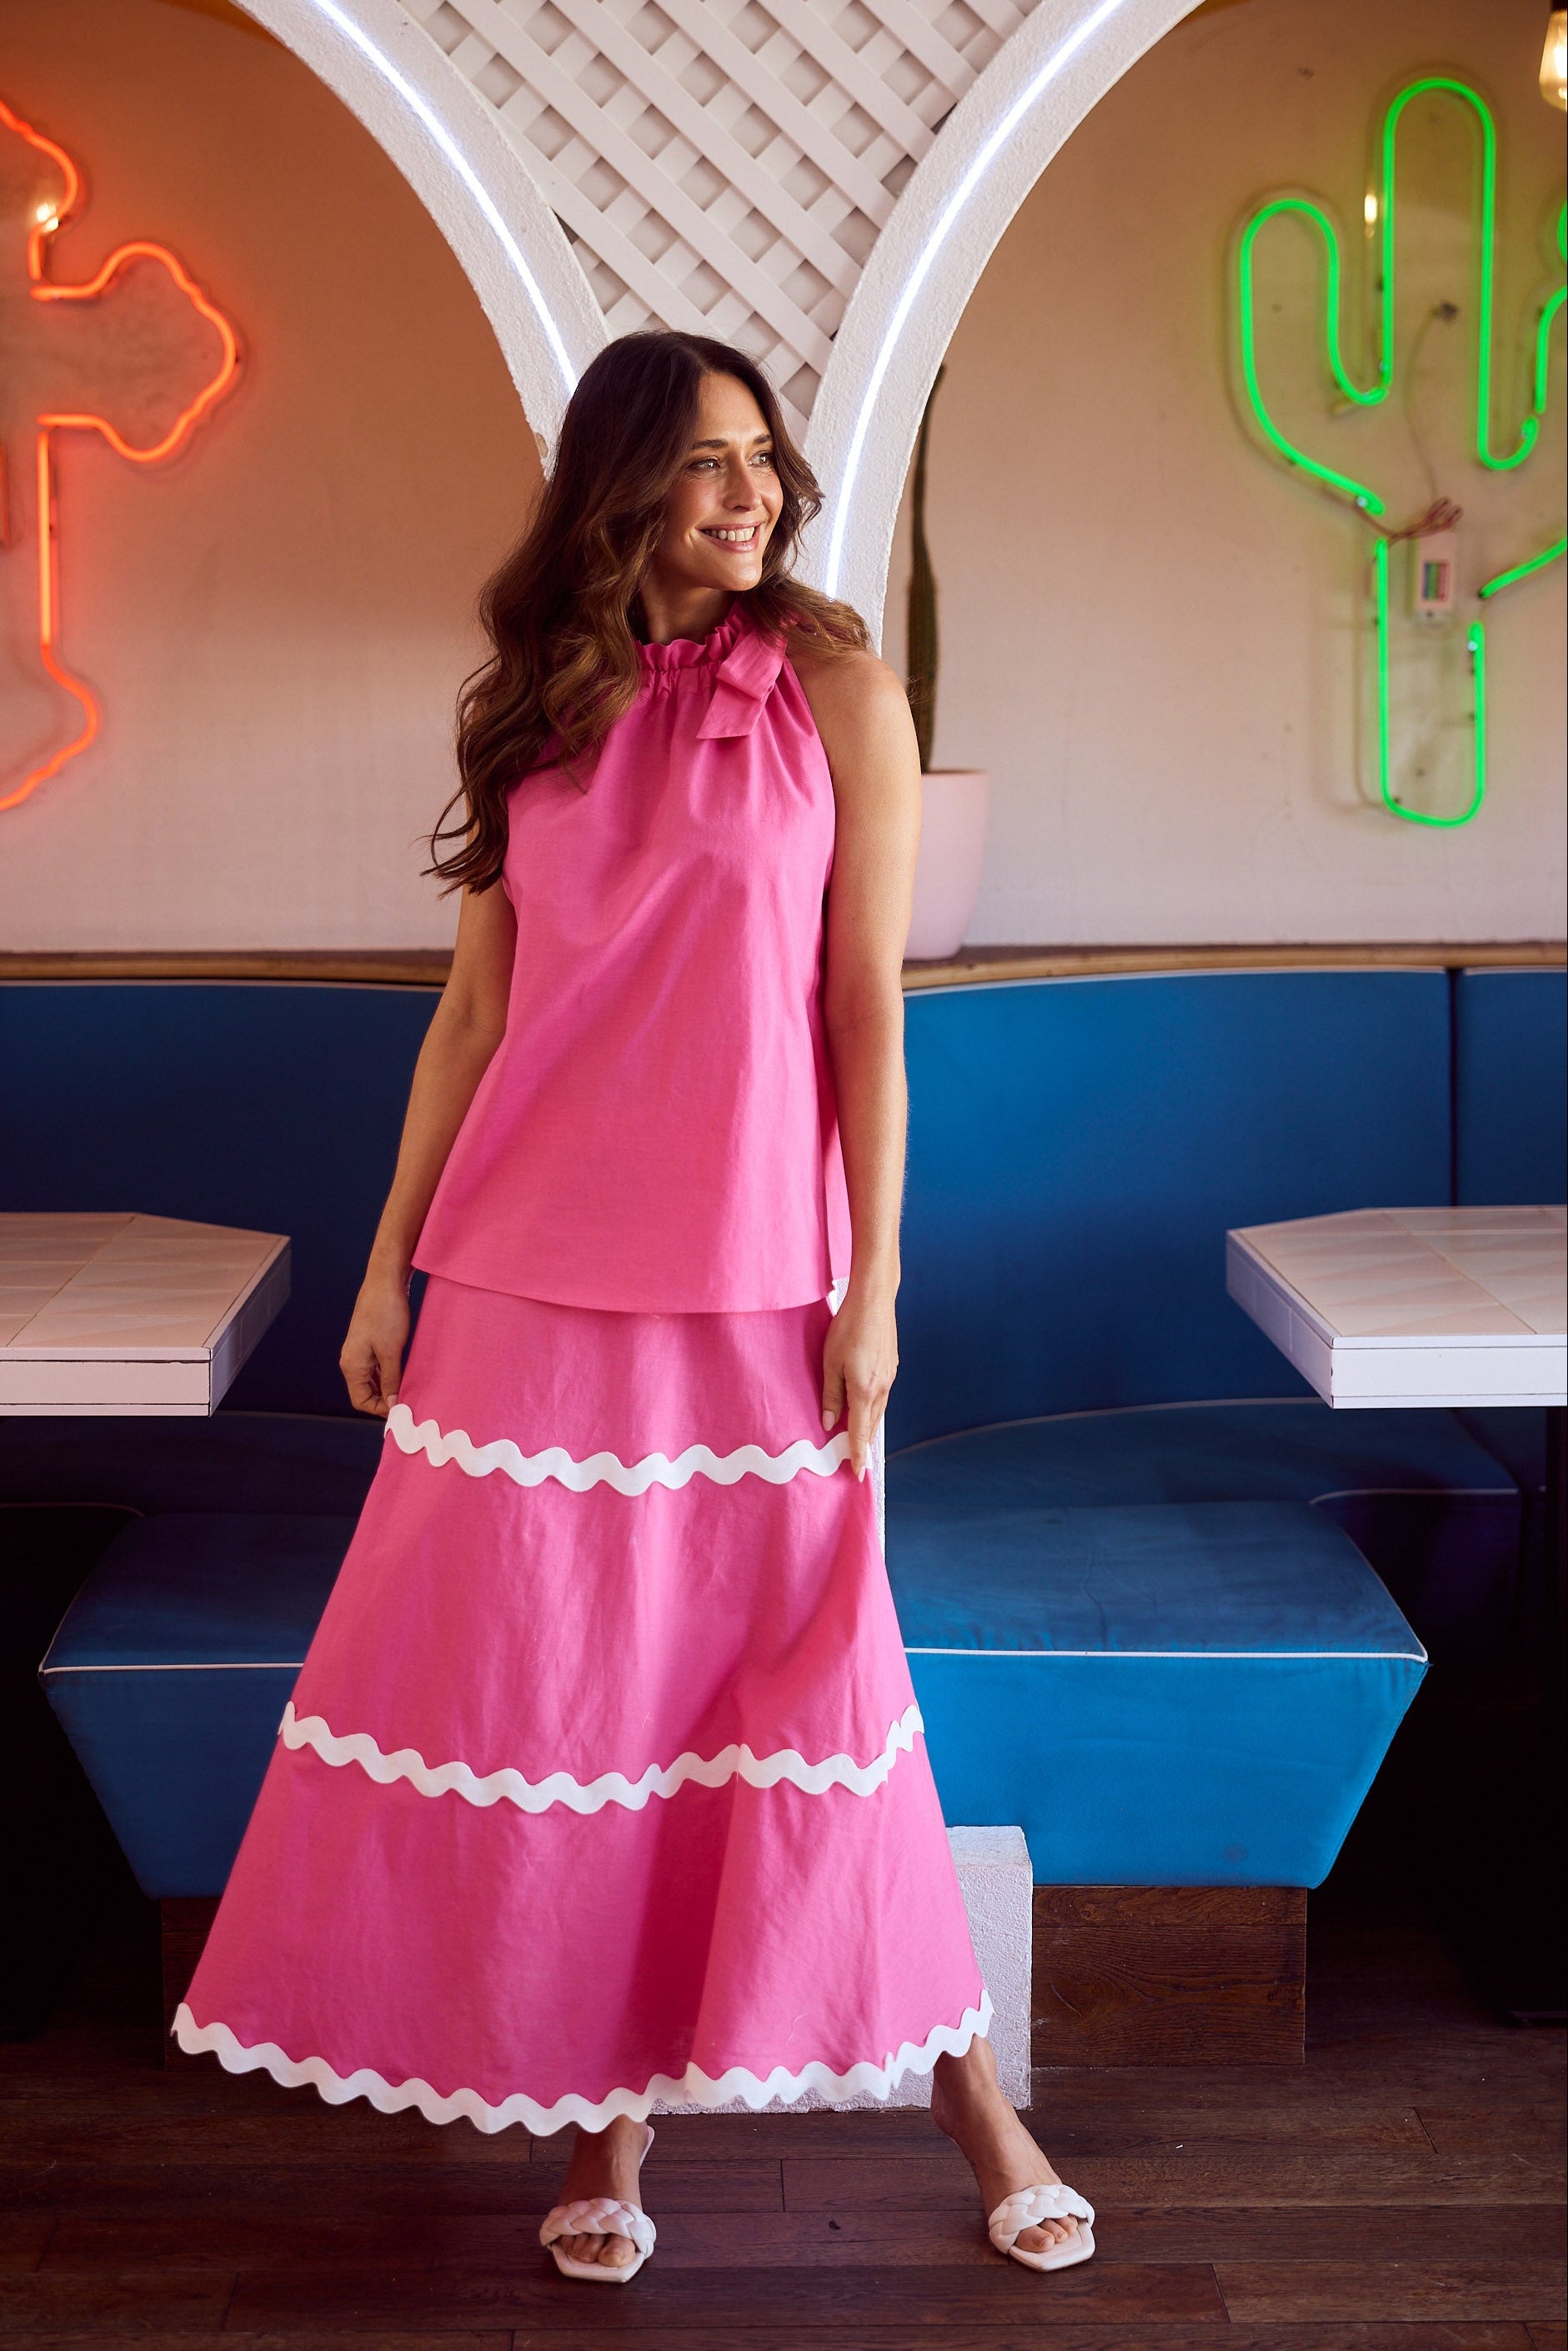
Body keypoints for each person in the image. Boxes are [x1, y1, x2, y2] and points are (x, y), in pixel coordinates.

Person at [174, 330, 1094, 2281]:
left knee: (815, 1684)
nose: (749, 494)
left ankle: (974, 2100)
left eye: (762, 458)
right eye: (702, 465)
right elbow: (476, 1017)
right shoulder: (531, 707)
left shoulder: (838, 689)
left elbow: (864, 1015)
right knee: (568, 1705)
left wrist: (874, 1285)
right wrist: (382, 1261)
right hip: (518, 1279)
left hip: (764, 1281)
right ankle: (603, 2137)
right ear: (618, 491)